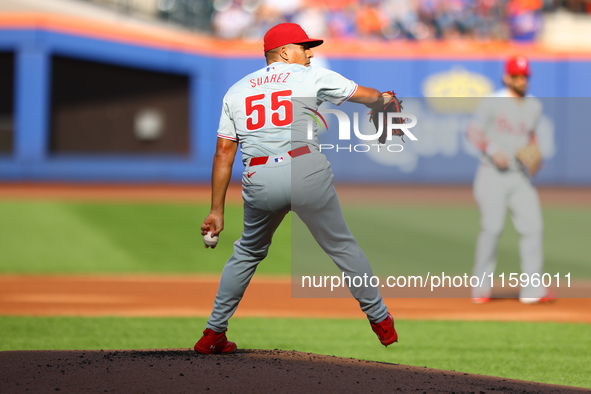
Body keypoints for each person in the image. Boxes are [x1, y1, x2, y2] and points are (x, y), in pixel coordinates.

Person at [194, 23, 397, 354]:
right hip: (305, 169)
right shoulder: (312, 77)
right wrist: (384, 99)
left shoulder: (236, 90)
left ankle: (213, 333)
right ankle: (380, 320)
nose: (311, 52)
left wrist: (216, 210)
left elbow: (223, 153)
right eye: (305, 47)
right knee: (342, 247)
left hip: (259, 178)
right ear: (285, 52)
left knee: (246, 252)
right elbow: (367, 96)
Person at [467, 55, 555, 304]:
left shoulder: (534, 106)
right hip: (491, 173)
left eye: (525, 76)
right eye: (517, 76)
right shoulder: (493, 102)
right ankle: (480, 287)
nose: (522, 80)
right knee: (492, 229)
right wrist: (493, 149)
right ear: (507, 77)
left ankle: (532, 289)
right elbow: (473, 131)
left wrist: (535, 156)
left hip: (520, 176)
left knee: (533, 227)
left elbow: (532, 139)